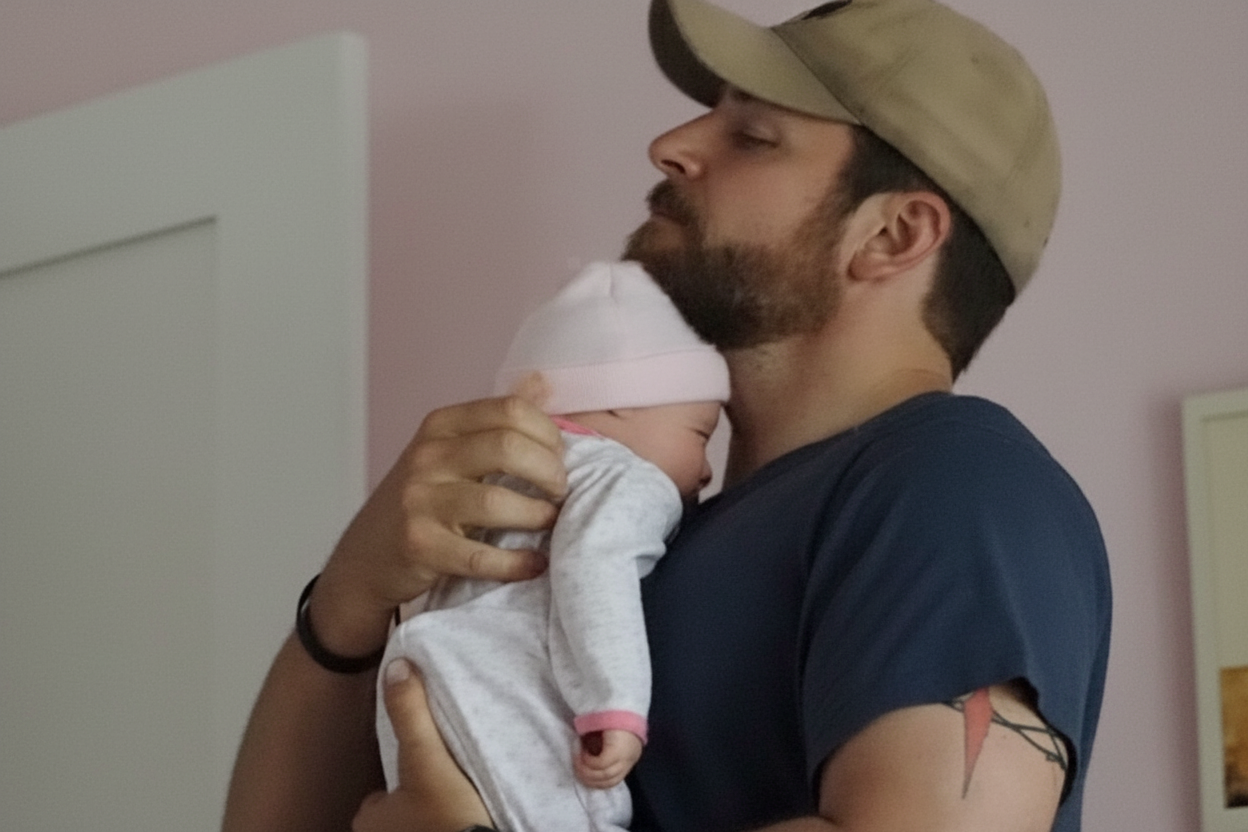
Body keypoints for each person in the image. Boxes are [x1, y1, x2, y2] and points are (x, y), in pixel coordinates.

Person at [223, 1, 1113, 831]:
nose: (670, 144)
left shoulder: (953, 484)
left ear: (892, 236)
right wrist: (351, 595)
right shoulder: (647, 522)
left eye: (754, 136)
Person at [374, 260, 728, 832]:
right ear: (625, 401)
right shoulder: (626, 478)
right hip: (510, 706)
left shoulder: (496, 473)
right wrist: (616, 705)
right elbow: (594, 566)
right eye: (701, 434)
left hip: (427, 679)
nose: (706, 471)